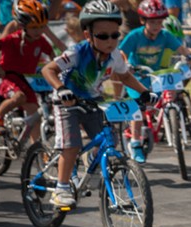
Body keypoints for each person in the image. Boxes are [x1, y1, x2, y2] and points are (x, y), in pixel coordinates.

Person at [42, 0, 157, 208]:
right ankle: (61, 187)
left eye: (115, 35)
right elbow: (48, 70)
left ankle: (95, 172)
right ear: (88, 35)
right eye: (103, 36)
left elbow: (126, 77)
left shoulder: (115, 55)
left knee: (108, 138)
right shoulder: (77, 52)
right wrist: (61, 89)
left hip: (93, 99)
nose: (110, 41)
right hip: (67, 101)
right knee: (72, 145)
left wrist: (145, 93)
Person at [119, 0, 191, 163]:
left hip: (155, 77)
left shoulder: (165, 35)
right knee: (139, 108)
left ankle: (163, 125)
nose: (156, 26)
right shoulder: (135, 36)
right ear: (143, 21)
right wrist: (126, 64)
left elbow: (181, 49)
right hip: (137, 77)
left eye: (159, 22)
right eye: (152, 22)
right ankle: (135, 143)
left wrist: (190, 56)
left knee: (165, 99)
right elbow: (121, 52)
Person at [0, 0, 65, 135]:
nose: (39, 31)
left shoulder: (40, 40)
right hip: (6, 76)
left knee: (36, 113)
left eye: (41, 27)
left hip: (23, 79)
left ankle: (37, 150)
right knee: (20, 97)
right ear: (23, 26)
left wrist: (58, 68)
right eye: (34, 28)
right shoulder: (14, 37)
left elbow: (52, 53)